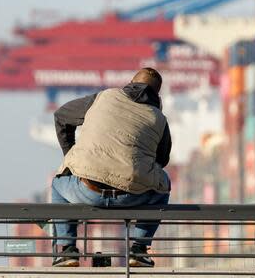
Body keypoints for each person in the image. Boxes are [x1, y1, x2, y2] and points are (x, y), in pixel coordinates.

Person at [50, 67, 172, 268]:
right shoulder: (159, 118)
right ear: (157, 95)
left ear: (130, 83)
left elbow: (61, 116)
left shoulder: (104, 98)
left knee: (57, 183)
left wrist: (72, 157)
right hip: (132, 196)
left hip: (87, 190)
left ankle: (67, 251)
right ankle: (139, 250)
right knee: (163, 185)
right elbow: (162, 160)